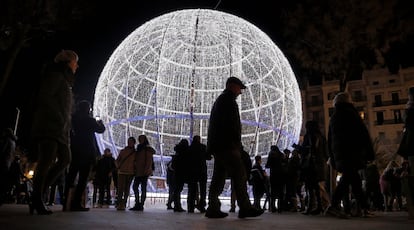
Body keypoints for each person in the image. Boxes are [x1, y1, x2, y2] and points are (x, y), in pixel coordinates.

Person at [205, 76, 263, 219]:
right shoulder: (227, 101)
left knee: (218, 177)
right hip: (227, 146)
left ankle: (212, 207)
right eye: (239, 88)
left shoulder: (222, 100)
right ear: (232, 86)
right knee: (240, 174)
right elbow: (231, 126)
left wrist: (212, 147)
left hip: (220, 146)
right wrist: (237, 146)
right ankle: (245, 208)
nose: (240, 92)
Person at [29, 50, 78, 215]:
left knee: (65, 159)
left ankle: (39, 193)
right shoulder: (55, 76)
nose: (77, 65)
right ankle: (37, 198)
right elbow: (45, 97)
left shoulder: (65, 81)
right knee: (46, 161)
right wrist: (58, 116)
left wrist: (66, 122)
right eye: (75, 61)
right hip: (49, 126)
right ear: (68, 62)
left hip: (61, 129)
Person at [326, 92, 375, 218]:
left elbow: (329, 139)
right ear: (348, 101)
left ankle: (363, 208)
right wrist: (369, 153)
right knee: (348, 180)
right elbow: (362, 133)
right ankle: (333, 206)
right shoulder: (351, 113)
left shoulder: (334, 117)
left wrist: (332, 157)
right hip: (352, 153)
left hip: (340, 156)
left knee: (355, 181)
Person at [64, 100, 105, 211]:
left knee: (70, 177)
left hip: (75, 151)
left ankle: (65, 203)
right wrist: (100, 122)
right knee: (82, 179)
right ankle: (76, 203)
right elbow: (101, 130)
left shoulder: (73, 119)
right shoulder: (90, 120)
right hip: (86, 153)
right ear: (88, 109)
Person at [300, 120, 329, 215]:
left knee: (310, 187)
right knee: (317, 188)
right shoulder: (321, 137)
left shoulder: (309, 137)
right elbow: (325, 153)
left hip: (311, 165)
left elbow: (308, 150)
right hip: (320, 165)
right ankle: (319, 206)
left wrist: (299, 148)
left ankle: (311, 207)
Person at [130, 135, 155, 211]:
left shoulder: (147, 149)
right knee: (136, 187)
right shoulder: (139, 148)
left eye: (141, 139)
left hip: (143, 172)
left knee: (141, 188)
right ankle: (138, 203)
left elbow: (149, 161)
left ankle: (140, 204)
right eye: (139, 139)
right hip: (139, 171)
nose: (140, 140)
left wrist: (146, 170)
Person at [188, 135, 211, 213]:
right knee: (203, 190)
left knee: (192, 190)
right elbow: (208, 157)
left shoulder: (190, 148)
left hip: (192, 171)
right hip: (202, 171)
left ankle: (191, 206)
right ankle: (202, 206)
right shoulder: (203, 147)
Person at [116, 136, 136, 211]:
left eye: (130, 141)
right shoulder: (123, 151)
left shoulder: (135, 153)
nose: (129, 142)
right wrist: (119, 167)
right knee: (121, 188)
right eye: (128, 141)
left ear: (134, 143)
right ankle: (119, 203)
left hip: (130, 173)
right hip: (123, 172)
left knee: (126, 189)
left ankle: (123, 204)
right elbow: (117, 160)